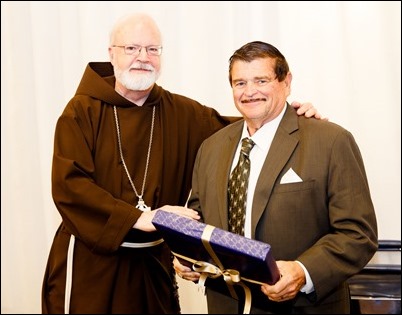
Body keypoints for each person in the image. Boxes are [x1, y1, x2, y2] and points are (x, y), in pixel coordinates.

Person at [41, 13, 323, 314]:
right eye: (131, 48)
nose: (142, 58)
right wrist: (141, 218)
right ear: (112, 54)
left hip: (153, 265)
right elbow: (69, 186)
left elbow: (241, 128)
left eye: (152, 49)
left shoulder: (180, 112)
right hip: (92, 265)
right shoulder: (81, 110)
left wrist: (287, 113)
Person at [174, 41, 378, 314]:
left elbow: (358, 234)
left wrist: (303, 271)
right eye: (240, 83)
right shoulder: (211, 148)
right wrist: (188, 255)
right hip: (225, 304)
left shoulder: (330, 141)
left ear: (286, 82)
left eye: (261, 80)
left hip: (301, 307)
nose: (250, 92)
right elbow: (199, 219)